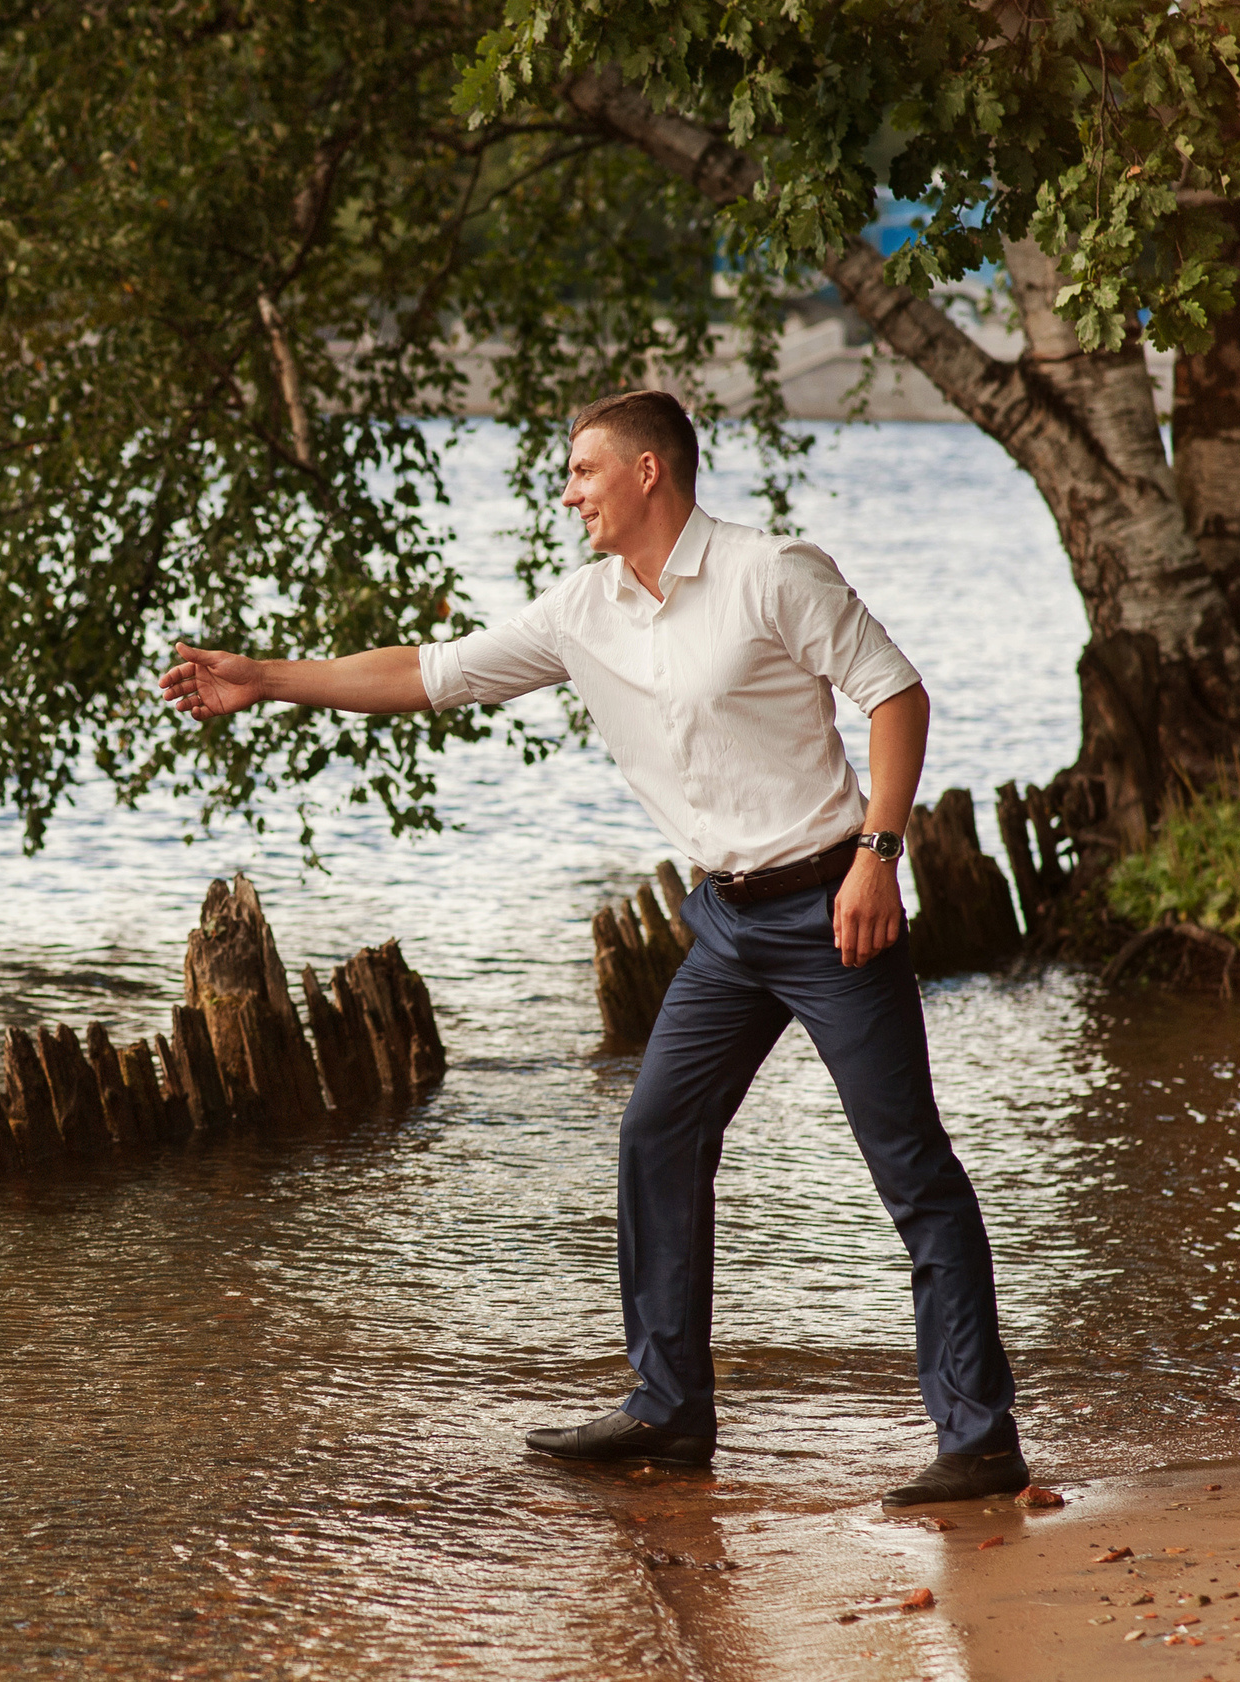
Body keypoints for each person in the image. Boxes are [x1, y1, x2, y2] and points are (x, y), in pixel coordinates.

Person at [158, 389, 1024, 1508]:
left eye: (581, 472)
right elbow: (429, 673)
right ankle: (668, 1409)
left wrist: (878, 853)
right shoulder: (582, 610)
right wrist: (268, 677)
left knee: (908, 1165)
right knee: (656, 1135)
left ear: (649, 471)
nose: (566, 493)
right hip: (724, 922)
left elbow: (894, 693)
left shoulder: (772, 571)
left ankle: (978, 1433)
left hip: (827, 906)